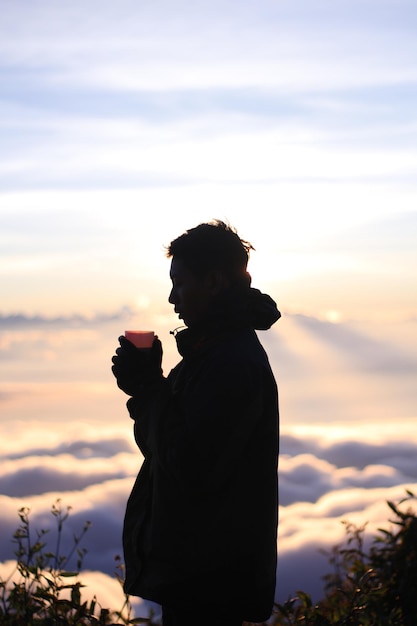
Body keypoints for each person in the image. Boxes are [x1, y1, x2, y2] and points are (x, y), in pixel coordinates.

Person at [111, 220, 280, 626]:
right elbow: (162, 449)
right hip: (200, 574)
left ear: (215, 283)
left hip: (209, 583)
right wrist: (147, 389)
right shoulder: (211, 354)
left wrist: (150, 388)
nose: (172, 298)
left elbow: (189, 466)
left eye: (180, 283)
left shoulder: (231, 363)